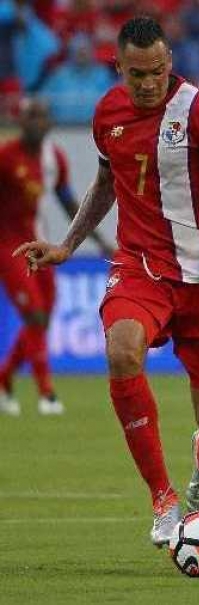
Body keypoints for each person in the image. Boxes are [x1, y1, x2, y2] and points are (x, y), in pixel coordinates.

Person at [14, 17, 199, 547]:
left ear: (169, 62)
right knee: (122, 349)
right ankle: (163, 499)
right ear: (119, 67)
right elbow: (107, 181)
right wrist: (67, 245)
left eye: (156, 71)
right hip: (141, 267)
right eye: (137, 75)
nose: (148, 83)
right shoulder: (107, 112)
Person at [0, 97, 112, 417]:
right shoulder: (6, 157)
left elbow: (68, 203)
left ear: (49, 123)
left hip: (39, 245)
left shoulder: (54, 158)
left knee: (43, 319)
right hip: (7, 247)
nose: (37, 122)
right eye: (31, 116)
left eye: (43, 116)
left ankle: (5, 378)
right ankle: (47, 393)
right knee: (34, 315)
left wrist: (100, 240)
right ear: (20, 121)